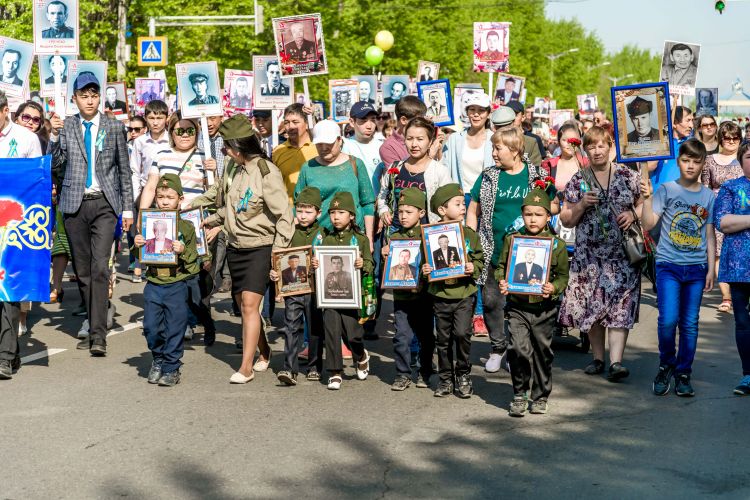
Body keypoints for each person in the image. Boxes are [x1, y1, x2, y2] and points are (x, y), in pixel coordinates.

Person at [202, 115, 293, 384]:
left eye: (226, 147)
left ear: (239, 146)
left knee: (251, 306)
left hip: (260, 247)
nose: (224, 152)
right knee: (243, 306)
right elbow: (224, 201)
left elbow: (284, 215)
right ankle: (264, 350)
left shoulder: (266, 171)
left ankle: (246, 367)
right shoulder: (233, 167)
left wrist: (278, 254)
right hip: (235, 246)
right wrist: (190, 207)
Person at [48, 72, 133, 356]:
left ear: (100, 97)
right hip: (74, 204)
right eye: (83, 95)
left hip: (105, 204)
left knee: (99, 267)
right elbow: (54, 165)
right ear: (74, 98)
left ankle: (99, 335)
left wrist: (128, 208)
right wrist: (55, 136)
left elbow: (124, 170)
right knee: (82, 271)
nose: (89, 100)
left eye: (94, 95)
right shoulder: (68, 125)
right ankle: (95, 313)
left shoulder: (113, 126)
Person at [467, 127, 557, 373]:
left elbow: (555, 205)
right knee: (491, 301)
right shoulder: (488, 177)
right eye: (493, 148)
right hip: (493, 249)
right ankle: (497, 347)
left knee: (522, 305)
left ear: (515, 150)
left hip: (528, 252)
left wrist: (543, 211)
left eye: (498, 148)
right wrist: (471, 239)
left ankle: (519, 350)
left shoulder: (536, 175)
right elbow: (473, 208)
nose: (494, 153)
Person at [558, 126, 642, 381]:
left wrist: (633, 213)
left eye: (601, 145)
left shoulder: (628, 175)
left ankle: (616, 362)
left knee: (620, 307)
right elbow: (566, 218)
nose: (596, 151)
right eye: (591, 146)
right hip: (589, 256)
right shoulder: (579, 179)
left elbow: (644, 203)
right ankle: (598, 358)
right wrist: (582, 203)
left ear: (610, 147)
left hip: (622, 255)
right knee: (592, 306)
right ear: (585, 150)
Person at [640, 139, 715, 397]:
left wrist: (711, 268)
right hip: (668, 265)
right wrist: (647, 199)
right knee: (668, 319)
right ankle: (666, 363)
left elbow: (710, 234)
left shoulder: (708, 196)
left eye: (696, 161)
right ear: (678, 161)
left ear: (703, 163)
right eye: (686, 160)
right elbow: (648, 224)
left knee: (690, 323)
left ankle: (684, 371)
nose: (690, 165)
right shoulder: (667, 190)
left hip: (695, 268)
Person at [497, 187, 569, 417]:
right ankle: (519, 393)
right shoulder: (513, 240)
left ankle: (540, 396)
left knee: (542, 353)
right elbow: (501, 267)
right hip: (517, 307)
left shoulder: (556, 245)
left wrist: (553, 288)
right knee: (517, 349)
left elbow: (563, 277)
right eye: (528, 214)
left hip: (544, 310)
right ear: (522, 215)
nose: (533, 219)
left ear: (548, 217)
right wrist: (502, 282)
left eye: (539, 214)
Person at [134, 174, 198, 386]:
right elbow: (139, 257)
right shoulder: (148, 223)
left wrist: (183, 250)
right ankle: (158, 358)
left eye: (170, 197)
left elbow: (194, 263)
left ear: (180, 199)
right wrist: (138, 244)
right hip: (153, 283)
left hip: (176, 284)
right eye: (160, 197)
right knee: (151, 326)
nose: (164, 201)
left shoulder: (186, 227)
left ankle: (172, 366)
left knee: (175, 327)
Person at [423, 184, 484, 398]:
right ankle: (446, 378)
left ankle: (464, 374)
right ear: (441, 210)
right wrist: (426, 269)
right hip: (440, 295)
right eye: (457, 204)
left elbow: (479, 259)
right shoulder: (430, 235)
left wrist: (472, 267)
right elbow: (424, 261)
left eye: (463, 204)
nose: (462, 208)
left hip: (464, 293)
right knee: (443, 338)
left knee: (462, 334)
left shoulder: (468, 234)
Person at [311, 191, 373, 390]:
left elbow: (371, 265)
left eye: (341, 212)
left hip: (351, 296)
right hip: (330, 297)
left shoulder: (360, 240)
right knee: (332, 331)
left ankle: (361, 355)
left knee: (353, 333)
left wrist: (363, 263)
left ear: (352, 216)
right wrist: (315, 263)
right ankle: (335, 371)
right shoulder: (326, 240)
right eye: (332, 213)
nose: (336, 217)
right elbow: (320, 264)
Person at [0, 92, 43, 379]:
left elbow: (37, 180)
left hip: (14, 224)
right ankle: (11, 351)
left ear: (5, 110)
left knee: (7, 290)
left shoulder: (26, 139)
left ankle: (4, 355)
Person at [269, 186, 324, 385]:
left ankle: (314, 366)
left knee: (315, 328)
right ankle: (289, 368)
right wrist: (275, 272)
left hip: (315, 290)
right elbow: (280, 257)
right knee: (291, 327)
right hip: (293, 290)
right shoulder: (289, 232)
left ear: (319, 212)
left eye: (308, 211)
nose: (302, 216)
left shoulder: (323, 233)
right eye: (299, 210)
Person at [384, 188, 435, 391]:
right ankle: (402, 373)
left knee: (425, 336)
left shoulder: (428, 235)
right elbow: (391, 268)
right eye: (400, 211)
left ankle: (425, 370)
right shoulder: (395, 237)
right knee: (401, 336)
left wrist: (427, 269)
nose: (403, 216)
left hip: (423, 295)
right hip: (402, 295)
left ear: (421, 213)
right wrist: (387, 254)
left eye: (409, 212)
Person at [714, 140, 750, 395]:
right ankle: (748, 374)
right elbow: (723, 222)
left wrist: (742, 221)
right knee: (743, 323)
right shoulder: (730, 188)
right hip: (739, 269)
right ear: (740, 159)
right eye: (748, 156)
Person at [378, 117, 451, 228]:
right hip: (396, 235)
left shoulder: (439, 171)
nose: (414, 144)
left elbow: (449, 204)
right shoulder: (395, 167)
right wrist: (383, 211)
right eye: (409, 138)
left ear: (430, 141)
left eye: (420, 139)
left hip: (427, 235)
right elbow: (383, 195)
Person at [702, 120, 744, 313]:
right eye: (727, 137)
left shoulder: (745, 158)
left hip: (742, 211)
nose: (731, 141)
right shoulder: (710, 160)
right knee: (718, 254)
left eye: (735, 137)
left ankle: (741, 293)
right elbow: (705, 188)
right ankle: (727, 296)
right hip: (717, 210)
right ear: (720, 138)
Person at [129, 100, 170, 283]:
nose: (155, 122)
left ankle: (160, 265)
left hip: (166, 191)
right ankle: (139, 264)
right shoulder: (140, 142)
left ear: (166, 119)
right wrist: (137, 195)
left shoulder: (171, 139)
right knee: (141, 229)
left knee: (163, 229)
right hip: (145, 191)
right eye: (152, 118)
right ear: (145, 119)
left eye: (159, 118)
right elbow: (135, 170)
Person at [139, 111, 207, 212]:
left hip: (194, 217)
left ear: (196, 132)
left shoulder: (205, 157)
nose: (185, 135)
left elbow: (212, 191)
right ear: (171, 133)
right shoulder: (161, 155)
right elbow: (150, 187)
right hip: (166, 218)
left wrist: (213, 172)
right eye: (180, 131)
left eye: (190, 131)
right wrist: (142, 214)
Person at [273, 103, 317, 202]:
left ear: (307, 124)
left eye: (295, 122)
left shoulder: (318, 148)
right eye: (287, 122)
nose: (290, 127)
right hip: (287, 212)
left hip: (314, 212)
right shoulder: (278, 151)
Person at [342, 101, 385, 197]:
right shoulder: (344, 145)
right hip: (352, 205)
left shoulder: (383, 147)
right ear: (352, 122)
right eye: (363, 121)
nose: (369, 126)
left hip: (377, 205)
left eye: (373, 120)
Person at [650, 106, 694, 191]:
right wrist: (662, 147)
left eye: (692, 120)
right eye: (688, 120)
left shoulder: (692, 144)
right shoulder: (659, 142)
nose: (691, 125)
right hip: (658, 197)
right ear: (674, 123)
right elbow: (649, 167)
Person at [491, 104, 545, 169]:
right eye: (499, 127)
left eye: (506, 126)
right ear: (494, 127)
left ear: (513, 123)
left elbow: (535, 170)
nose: (503, 130)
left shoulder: (530, 142)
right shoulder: (488, 141)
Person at [380, 95, 428, 167]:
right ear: (403, 120)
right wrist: (430, 156)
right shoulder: (388, 147)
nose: (422, 123)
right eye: (418, 120)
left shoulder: (427, 138)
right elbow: (399, 176)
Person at [541, 122, 588, 193]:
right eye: (565, 140)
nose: (569, 144)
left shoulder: (587, 164)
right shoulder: (548, 165)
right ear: (559, 142)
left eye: (573, 139)